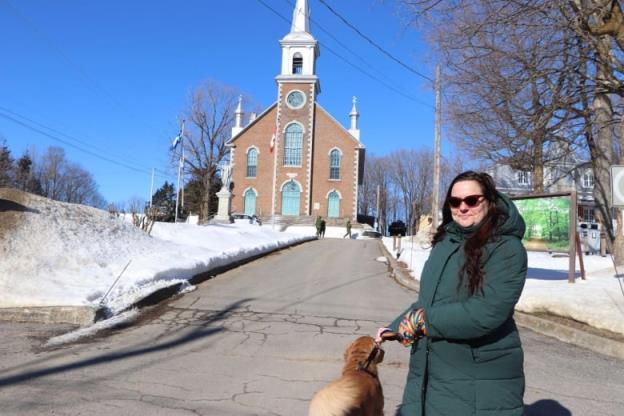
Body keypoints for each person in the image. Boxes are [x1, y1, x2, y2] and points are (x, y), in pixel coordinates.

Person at [376, 171, 527, 416]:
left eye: (471, 200)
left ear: (489, 200)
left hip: (479, 381)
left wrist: (423, 321)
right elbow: (429, 302)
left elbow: (486, 311)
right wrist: (396, 327)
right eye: (455, 202)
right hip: (435, 373)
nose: (462, 207)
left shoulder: (506, 248)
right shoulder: (446, 243)